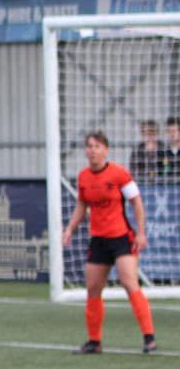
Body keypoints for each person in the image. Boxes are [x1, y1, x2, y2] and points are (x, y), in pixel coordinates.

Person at [62, 129, 157, 354]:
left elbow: (136, 202)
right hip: (99, 240)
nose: (92, 151)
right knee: (93, 288)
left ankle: (149, 337)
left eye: (96, 146)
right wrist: (69, 229)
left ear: (106, 150)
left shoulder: (119, 174)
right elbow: (82, 205)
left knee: (129, 282)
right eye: (89, 146)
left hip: (122, 238)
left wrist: (141, 233)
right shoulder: (84, 177)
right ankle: (94, 341)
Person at [129, 119, 164, 187]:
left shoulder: (164, 148)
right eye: (146, 134)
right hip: (142, 185)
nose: (149, 136)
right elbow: (133, 170)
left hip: (162, 185)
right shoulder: (137, 150)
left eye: (152, 133)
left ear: (157, 133)